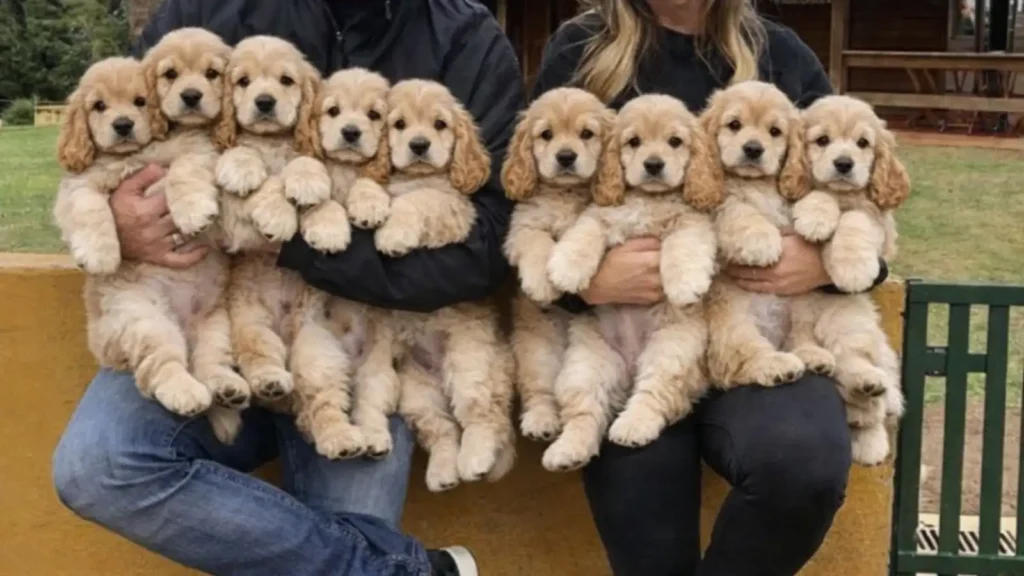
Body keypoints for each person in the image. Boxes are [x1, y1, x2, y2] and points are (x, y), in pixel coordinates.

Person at [50, 1, 523, 575]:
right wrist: (117, 217)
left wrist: (297, 246)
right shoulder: (205, 8)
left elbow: (490, 243)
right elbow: (118, 115)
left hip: (361, 329)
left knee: (355, 496)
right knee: (98, 467)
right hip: (205, 316)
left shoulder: (466, 36)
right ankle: (406, 572)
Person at [532, 1, 891, 575]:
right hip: (634, 339)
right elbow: (532, 192)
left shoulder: (781, 53)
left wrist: (824, 264)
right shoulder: (583, 49)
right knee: (643, 512)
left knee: (804, 466)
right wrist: (586, 284)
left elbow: (858, 183)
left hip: (765, 333)